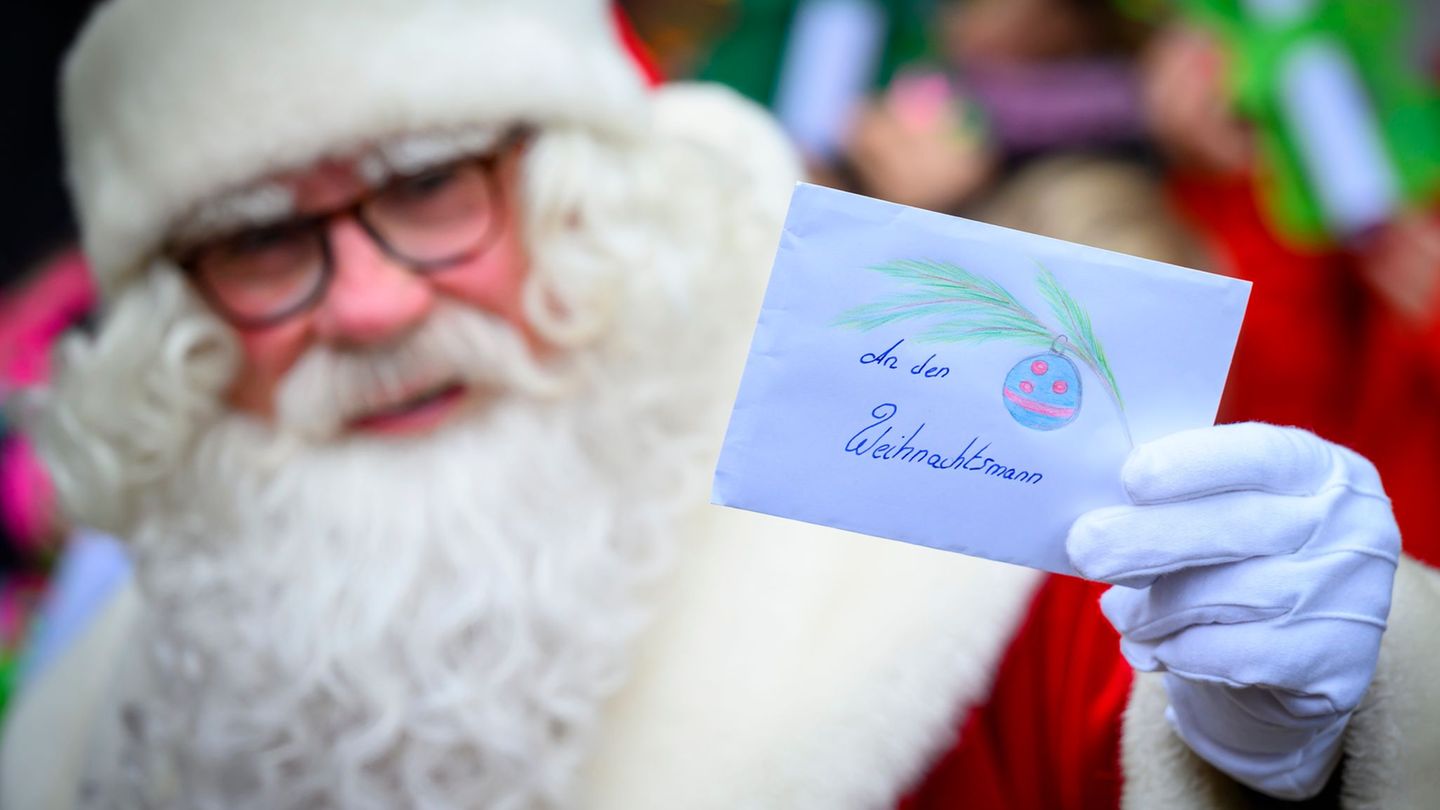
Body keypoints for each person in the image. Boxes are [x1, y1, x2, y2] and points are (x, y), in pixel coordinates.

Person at [3, 1, 1437, 807]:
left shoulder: (904, 527)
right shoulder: (99, 712)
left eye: (433, 184)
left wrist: (1294, 732)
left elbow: (1115, 693)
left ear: (579, 198)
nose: (370, 306)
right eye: (264, 238)